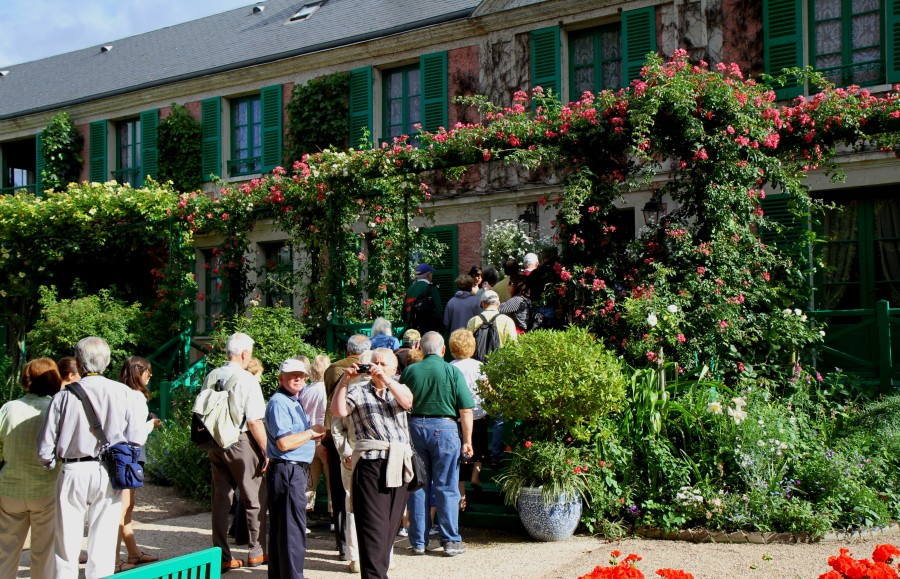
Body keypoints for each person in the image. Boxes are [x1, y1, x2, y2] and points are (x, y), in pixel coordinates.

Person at [37, 337, 148, 579]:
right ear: (107, 362)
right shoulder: (124, 393)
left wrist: (50, 463)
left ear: (79, 362)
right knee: (104, 542)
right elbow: (137, 437)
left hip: (73, 469)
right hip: (108, 470)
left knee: (66, 543)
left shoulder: (64, 396)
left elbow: (45, 447)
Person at [332, 348, 414, 577]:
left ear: (394, 368)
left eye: (382, 363)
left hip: (398, 464)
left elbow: (407, 402)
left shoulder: (399, 388)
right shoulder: (358, 392)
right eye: (374, 362)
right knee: (373, 531)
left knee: (388, 532)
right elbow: (338, 411)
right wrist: (344, 382)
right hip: (370, 465)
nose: (376, 366)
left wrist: (386, 380)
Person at [401, 332, 473, 557]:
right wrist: (468, 440)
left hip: (415, 428)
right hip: (445, 427)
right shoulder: (452, 371)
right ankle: (450, 541)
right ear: (443, 350)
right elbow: (465, 409)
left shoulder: (411, 371)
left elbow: (401, 402)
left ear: (421, 349)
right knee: (446, 486)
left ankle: (418, 542)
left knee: (418, 485)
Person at [201, 332, 268, 572]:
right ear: (244, 354)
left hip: (215, 442)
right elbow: (254, 421)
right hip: (240, 442)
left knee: (221, 499)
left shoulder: (212, 375)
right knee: (254, 497)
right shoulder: (247, 379)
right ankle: (256, 551)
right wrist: (265, 449)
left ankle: (222, 554)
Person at [0, 358, 62, 579]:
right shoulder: (57, 410)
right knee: (44, 552)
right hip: (46, 490)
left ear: (26, 380)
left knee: (5, 551)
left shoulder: (8, 408)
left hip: (9, 488)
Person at [265, 358, 326, 579]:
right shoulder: (280, 402)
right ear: (281, 378)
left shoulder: (292, 400)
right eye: (292, 375)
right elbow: (284, 443)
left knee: (284, 529)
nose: (298, 378)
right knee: (292, 531)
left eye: (301, 375)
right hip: (288, 470)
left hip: (289, 470)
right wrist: (311, 433)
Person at [323, 334, 371, 560]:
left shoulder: (333, 369)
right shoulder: (368, 369)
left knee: (340, 489)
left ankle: (343, 544)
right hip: (357, 432)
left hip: (336, 430)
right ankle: (361, 543)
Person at [115, 356, 162, 572]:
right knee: (122, 507)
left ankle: (133, 552)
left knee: (126, 506)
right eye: (148, 371)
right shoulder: (135, 397)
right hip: (130, 454)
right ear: (138, 372)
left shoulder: (117, 393)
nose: (150, 375)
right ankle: (114, 558)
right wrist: (151, 425)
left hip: (118, 453)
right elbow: (136, 434)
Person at [447, 330, 488, 511]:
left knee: (460, 457)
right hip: (478, 413)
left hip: (456, 417)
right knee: (480, 447)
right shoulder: (479, 366)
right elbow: (488, 389)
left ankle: (462, 499)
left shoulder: (449, 367)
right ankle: (476, 476)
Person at [302, 354, 331, 514]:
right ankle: (334, 517)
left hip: (309, 440)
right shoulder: (327, 390)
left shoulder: (306, 390)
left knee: (309, 481)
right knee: (330, 480)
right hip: (324, 438)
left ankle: (305, 512)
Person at [402, 263, 444, 334]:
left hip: (412, 330)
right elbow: (438, 311)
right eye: (431, 274)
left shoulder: (410, 289)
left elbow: (404, 313)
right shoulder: (431, 288)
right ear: (428, 275)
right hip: (428, 330)